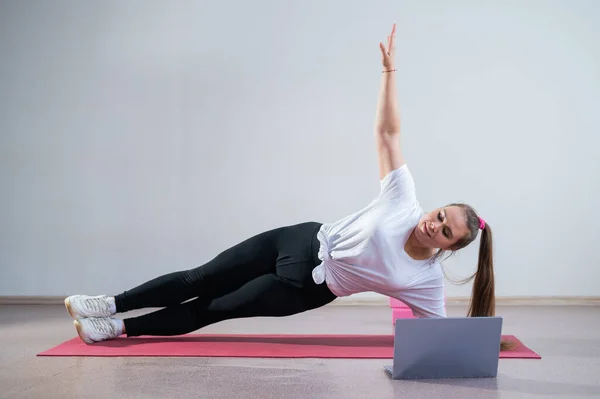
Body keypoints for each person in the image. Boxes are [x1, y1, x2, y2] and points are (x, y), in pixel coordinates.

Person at [64, 23, 501, 348]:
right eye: (440, 215)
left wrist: (486, 345)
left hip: (307, 288)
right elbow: (388, 134)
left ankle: (117, 329)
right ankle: (109, 303)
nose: (434, 224)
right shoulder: (404, 200)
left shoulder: (424, 283)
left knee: (213, 307)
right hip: (298, 239)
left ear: (450, 246)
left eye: (446, 231)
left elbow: (441, 338)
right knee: (201, 276)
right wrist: (389, 73)